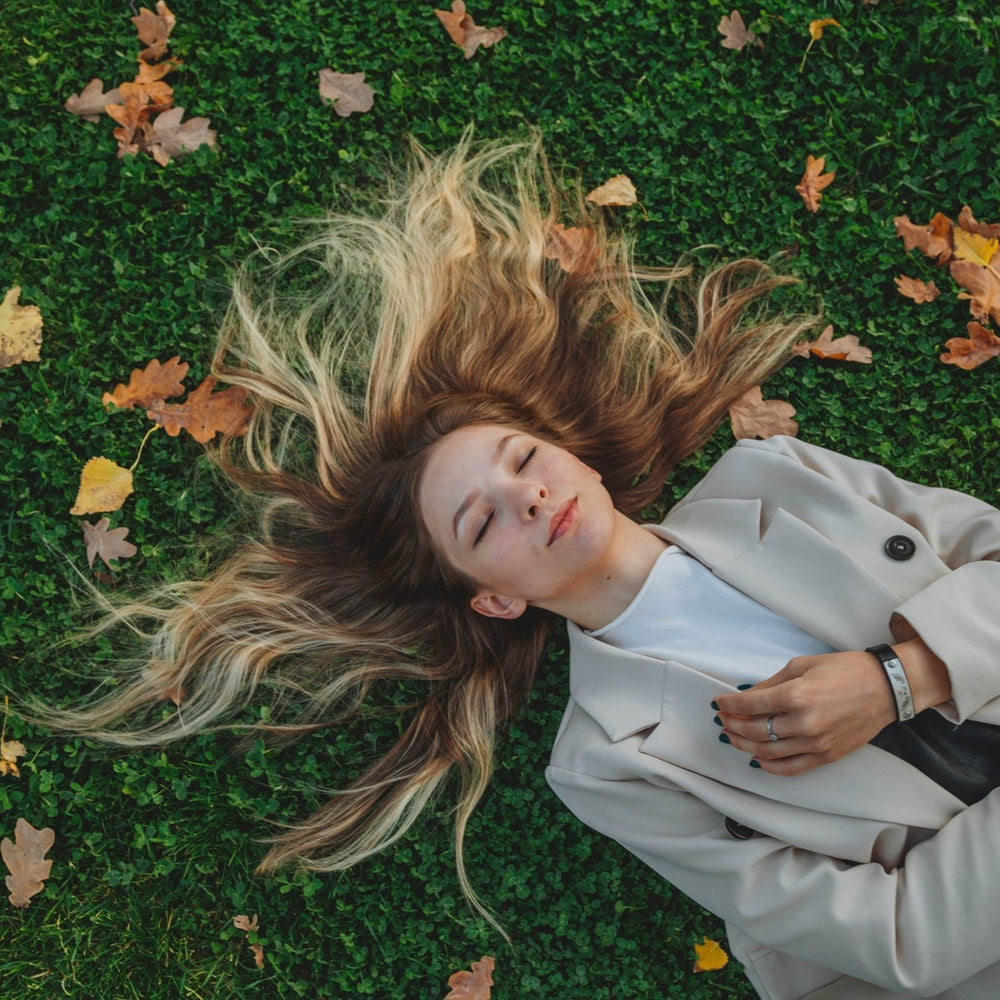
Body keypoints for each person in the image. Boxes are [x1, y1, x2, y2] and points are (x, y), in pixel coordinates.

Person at [38, 134, 1000, 999]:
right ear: (494, 598)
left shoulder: (775, 477)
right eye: (481, 518)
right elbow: (897, 940)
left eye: (524, 460)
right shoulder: (606, 760)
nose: (527, 495)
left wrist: (900, 677)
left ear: (573, 457)